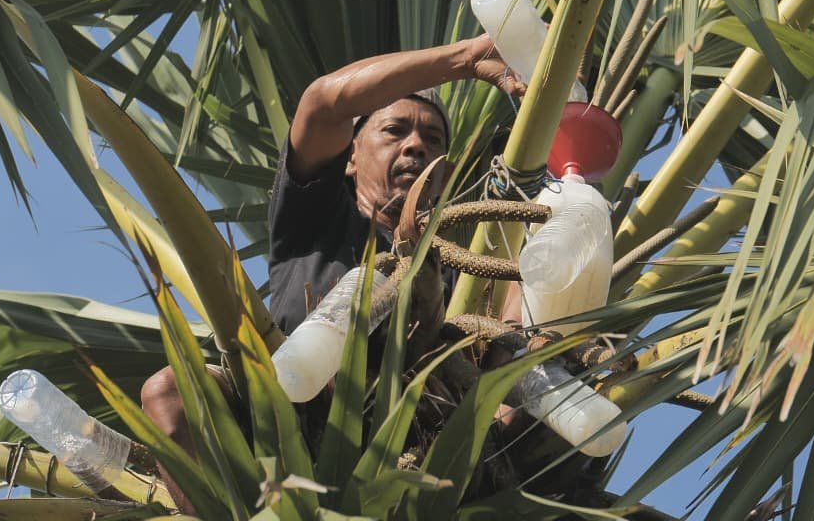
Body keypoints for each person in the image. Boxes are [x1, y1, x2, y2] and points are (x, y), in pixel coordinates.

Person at [140, 33, 525, 510]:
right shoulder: (316, 214)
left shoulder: (459, 273)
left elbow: (503, 352)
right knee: (170, 392)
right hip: (289, 423)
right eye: (395, 131)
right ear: (350, 158)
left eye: (433, 140)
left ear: (444, 175)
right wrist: (465, 58)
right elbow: (322, 104)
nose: (416, 147)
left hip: (421, 448)